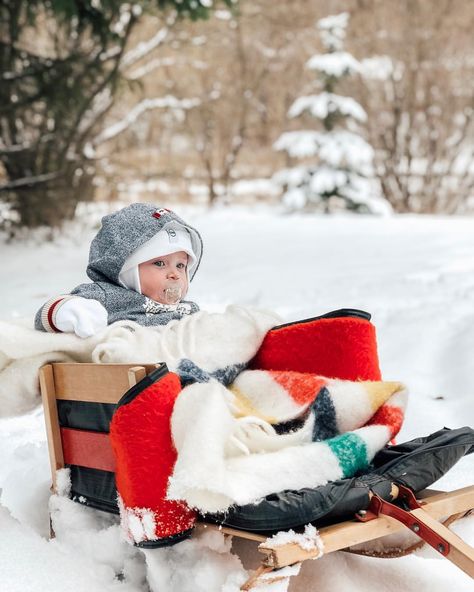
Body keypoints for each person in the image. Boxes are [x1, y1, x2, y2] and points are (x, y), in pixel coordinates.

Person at [34, 203, 203, 338]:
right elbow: (46, 314)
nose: (174, 275)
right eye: (159, 263)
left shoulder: (187, 309)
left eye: (180, 266)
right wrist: (71, 311)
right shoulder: (109, 297)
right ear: (126, 271)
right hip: (134, 374)